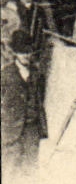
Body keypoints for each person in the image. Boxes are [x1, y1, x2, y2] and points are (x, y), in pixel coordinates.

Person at [2, 29, 47, 172]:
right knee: (10, 171)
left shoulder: (37, 74)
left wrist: (40, 127)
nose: (26, 55)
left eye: (29, 51)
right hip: (11, 132)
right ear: (15, 52)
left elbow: (40, 100)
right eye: (22, 52)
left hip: (31, 131)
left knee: (30, 170)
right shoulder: (5, 74)